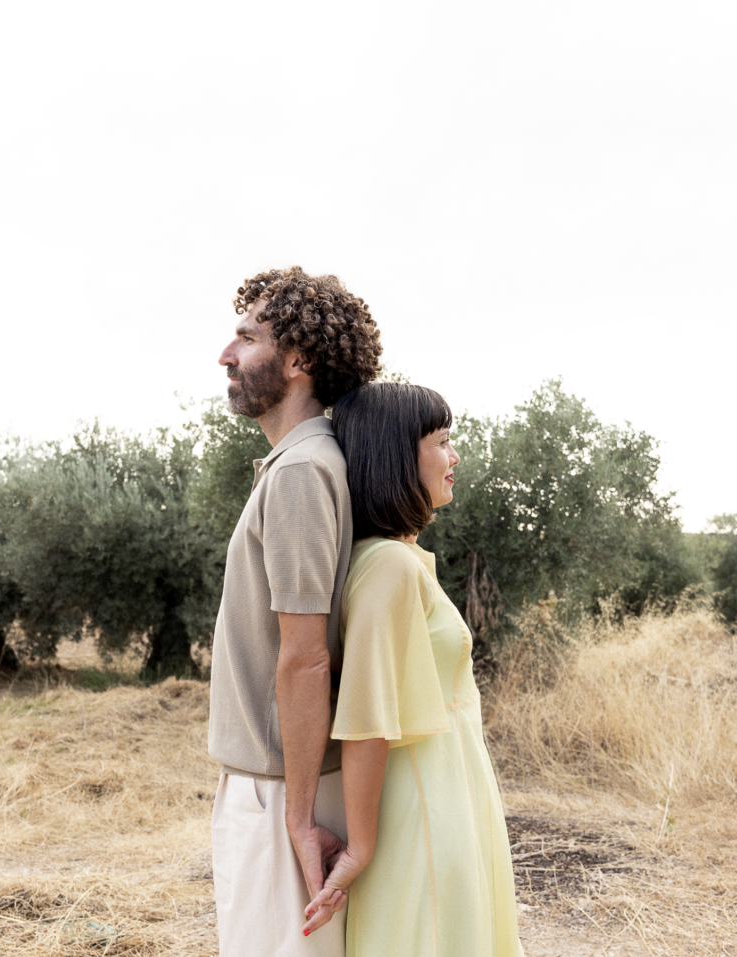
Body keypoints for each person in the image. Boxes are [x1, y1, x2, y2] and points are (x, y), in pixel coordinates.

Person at [303, 382, 525, 957]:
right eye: (443, 442)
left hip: (452, 793)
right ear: (399, 455)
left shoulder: (400, 562)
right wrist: (362, 849)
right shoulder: (389, 567)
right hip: (424, 811)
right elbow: (367, 717)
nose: (455, 458)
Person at [208, 266, 382, 957]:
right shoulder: (297, 465)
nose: (226, 354)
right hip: (274, 786)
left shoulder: (304, 473)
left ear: (299, 359)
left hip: (280, 793)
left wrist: (300, 818)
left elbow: (307, 656)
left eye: (246, 338)